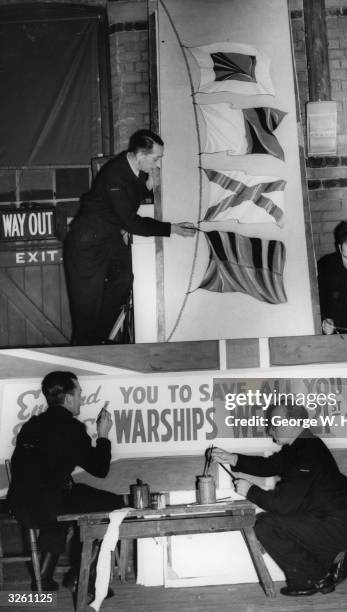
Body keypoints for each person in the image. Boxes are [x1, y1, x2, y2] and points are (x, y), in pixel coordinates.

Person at [211, 402, 347, 597]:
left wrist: (250, 491)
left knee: (267, 524)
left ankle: (312, 578)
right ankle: (337, 561)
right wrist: (233, 459)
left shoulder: (307, 451)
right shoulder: (300, 446)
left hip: (339, 527)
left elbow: (282, 505)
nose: (270, 428)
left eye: (275, 422)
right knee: (279, 521)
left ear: (295, 423)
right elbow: (268, 466)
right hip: (329, 521)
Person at [64, 129, 196, 346]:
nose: (157, 164)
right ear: (141, 155)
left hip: (107, 237)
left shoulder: (134, 169)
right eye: (155, 159)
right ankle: (86, 349)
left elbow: (129, 199)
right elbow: (131, 222)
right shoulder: (114, 174)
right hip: (86, 243)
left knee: (124, 278)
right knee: (85, 310)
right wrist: (172, 228)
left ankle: (96, 339)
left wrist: (147, 186)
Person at [7, 371, 124, 595]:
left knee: (69, 496)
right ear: (69, 398)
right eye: (79, 393)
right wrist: (103, 435)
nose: (82, 398)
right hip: (49, 506)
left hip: (21, 503)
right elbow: (100, 469)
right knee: (114, 505)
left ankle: (44, 577)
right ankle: (82, 578)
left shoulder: (32, 425)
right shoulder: (71, 428)